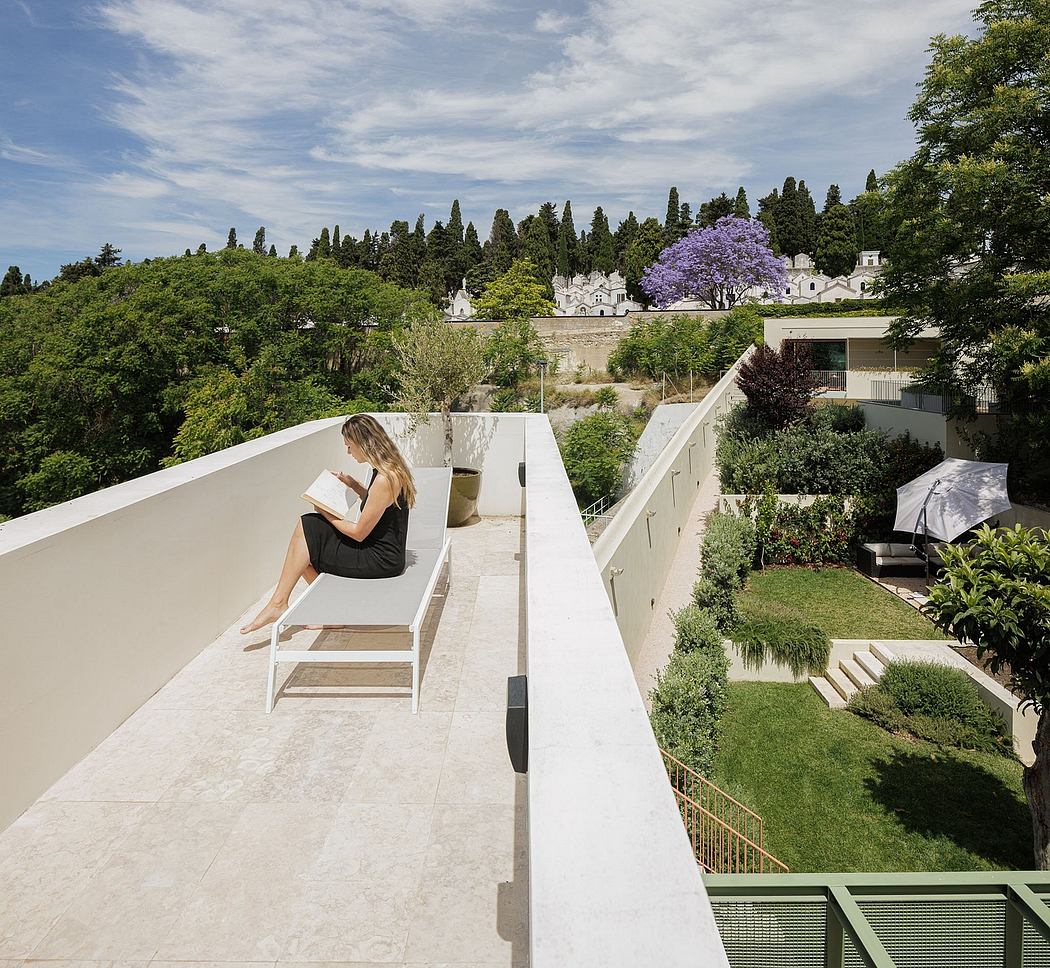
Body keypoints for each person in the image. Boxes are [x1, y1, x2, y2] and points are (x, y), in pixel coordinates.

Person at [240, 413, 416, 634]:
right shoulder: (387, 469)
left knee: (308, 534)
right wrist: (354, 486)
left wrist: (325, 512)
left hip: (381, 559)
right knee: (306, 540)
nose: (348, 452)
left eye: (350, 446)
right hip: (381, 550)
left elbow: (359, 533)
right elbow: (379, 505)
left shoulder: (384, 478)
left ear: (363, 443)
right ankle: (300, 606)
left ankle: (284, 605)